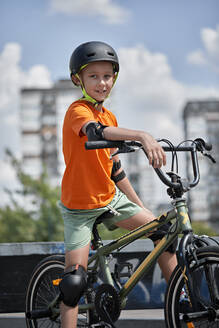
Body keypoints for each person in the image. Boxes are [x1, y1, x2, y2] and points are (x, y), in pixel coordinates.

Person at [59, 41, 177, 328]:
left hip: (110, 199)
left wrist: (140, 207)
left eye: (108, 76)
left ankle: (180, 301)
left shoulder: (109, 115)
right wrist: (142, 135)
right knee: (74, 281)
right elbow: (94, 131)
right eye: (94, 76)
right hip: (79, 207)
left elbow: (115, 169)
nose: (102, 82)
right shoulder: (78, 111)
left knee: (162, 233)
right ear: (79, 80)